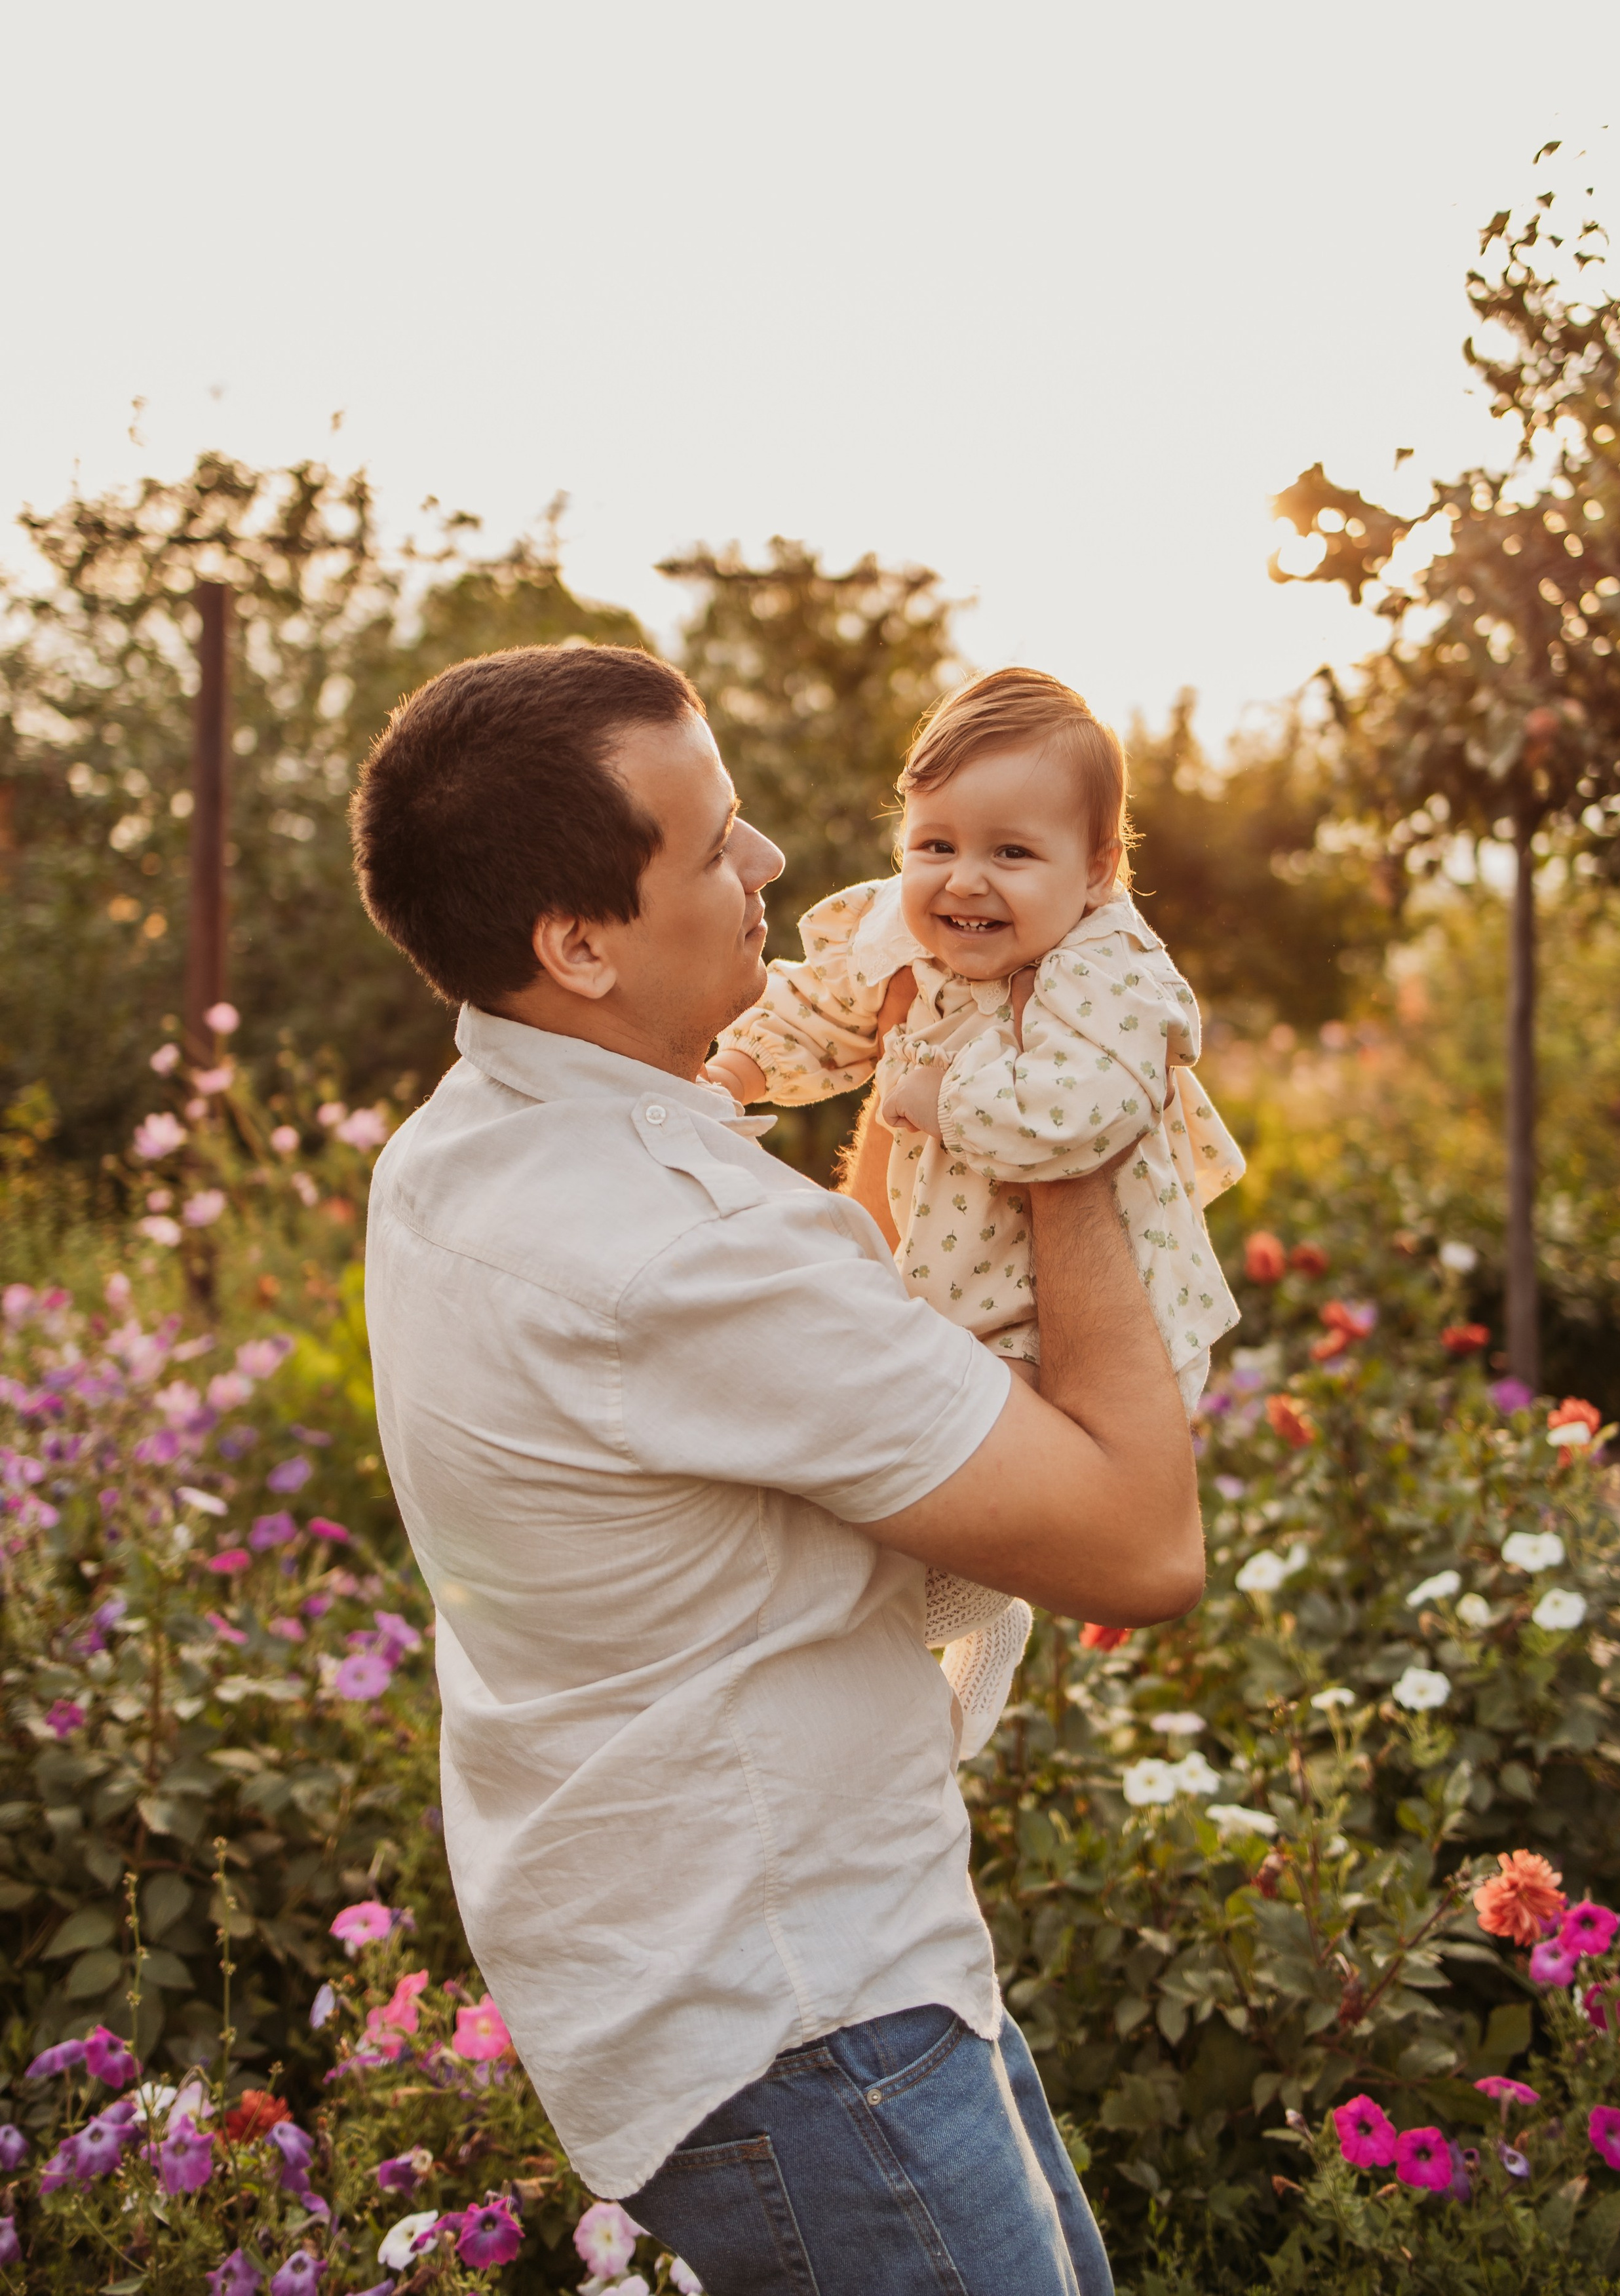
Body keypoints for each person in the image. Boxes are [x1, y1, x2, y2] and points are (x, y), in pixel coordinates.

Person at [351, 641, 1204, 2296]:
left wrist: (921, 1055)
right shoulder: (674, 1254)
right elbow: (1138, 1541)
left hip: (765, 1969)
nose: (770, 870)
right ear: (577, 941)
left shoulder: (463, 1151)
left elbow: (843, 1335)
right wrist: (1067, 1113)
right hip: (807, 2019)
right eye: (715, 839)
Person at [707, 668, 1243, 1751]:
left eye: (1012, 852)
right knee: (899, 1486)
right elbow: (819, 1007)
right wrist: (731, 1073)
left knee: (951, 1527)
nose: (965, 880)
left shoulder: (1110, 973)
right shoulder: (913, 939)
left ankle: (990, 1615)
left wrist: (935, 1095)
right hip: (961, 1287)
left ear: (1096, 871)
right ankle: (980, 1619)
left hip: (1088, 1322)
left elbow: (1079, 1117)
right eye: (935, 843)